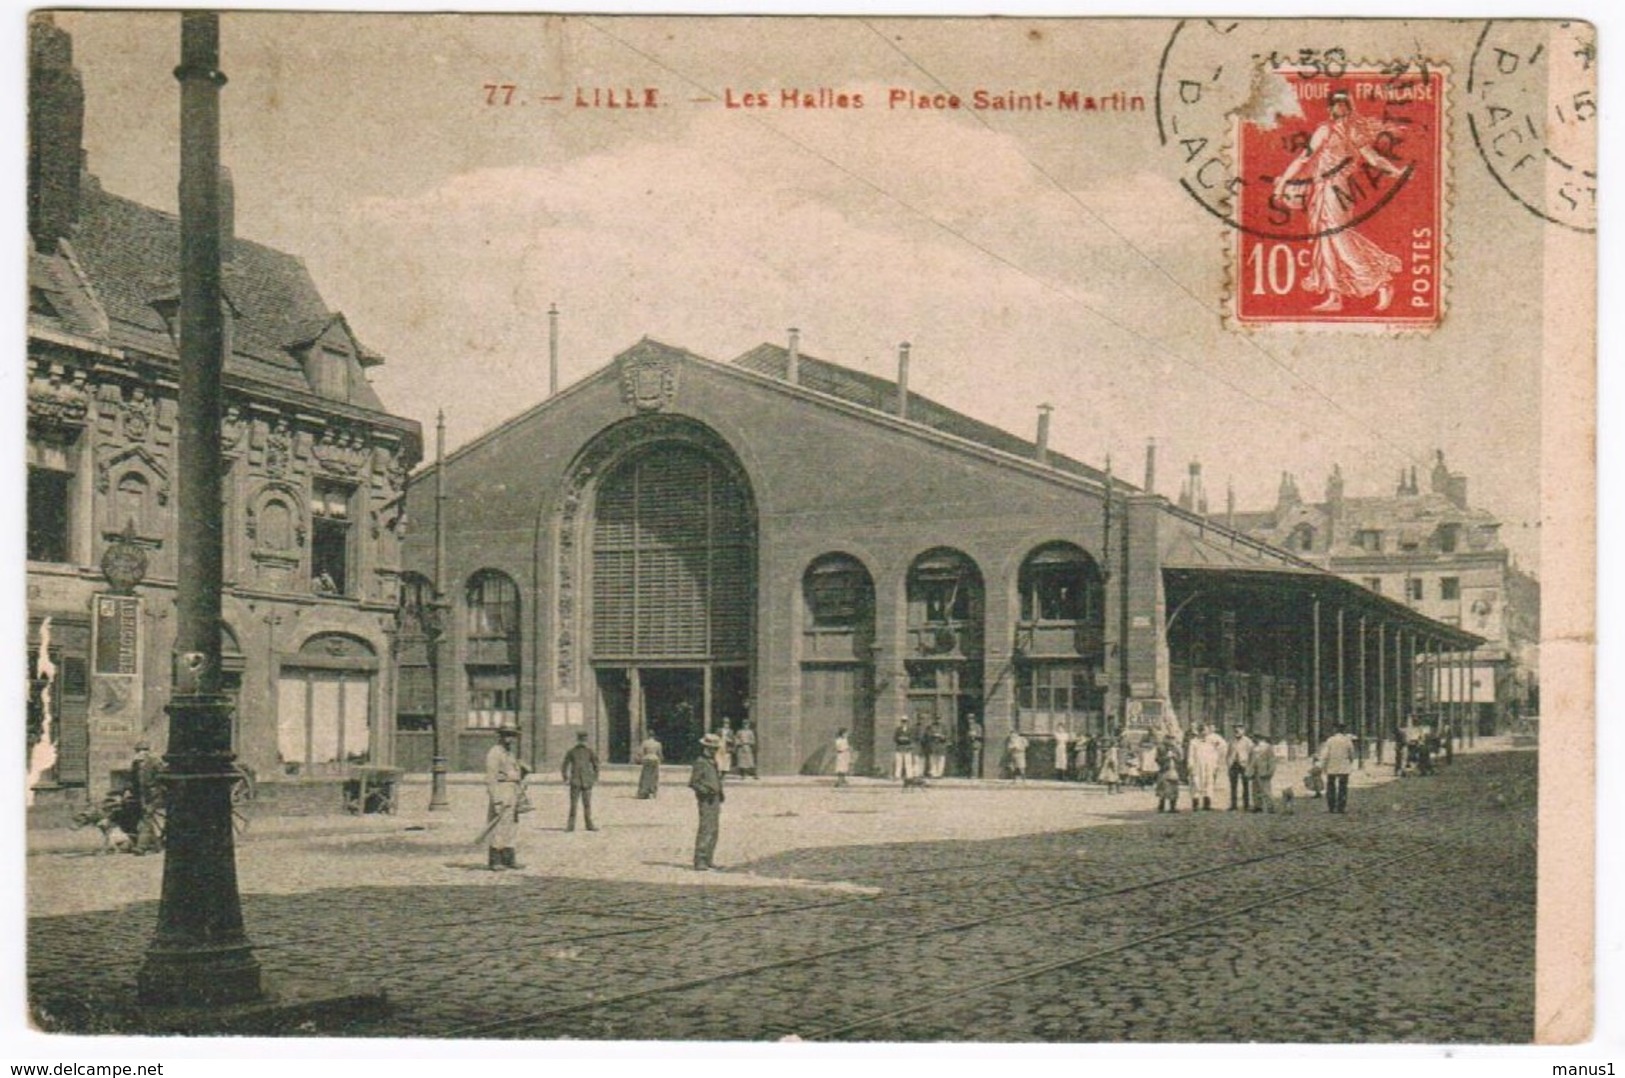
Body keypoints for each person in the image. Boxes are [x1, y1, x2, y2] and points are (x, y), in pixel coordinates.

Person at [1272, 89, 1407, 313]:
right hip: (1321, 190)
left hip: (1336, 190)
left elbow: (1373, 159)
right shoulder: (1327, 130)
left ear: (1349, 107)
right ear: (1331, 109)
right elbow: (1304, 158)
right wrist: (1283, 182)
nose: (1341, 108)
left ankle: (1381, 282)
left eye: (1344, 104)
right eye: (1337, 105)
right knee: (1326, 241)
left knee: (1338, 236)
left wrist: (1396, 172)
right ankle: (1334, 296)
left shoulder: (1351, 131)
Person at [484, 725, 530, 870]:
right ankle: (495, 860)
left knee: (512, 826)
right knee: (499, 826)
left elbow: (513, 772)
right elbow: (491, 777)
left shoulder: (509, 753)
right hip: (501, 791)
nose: (509, 739)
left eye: (512, 736)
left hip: (512, 792)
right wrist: (496, 799)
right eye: (506, 735)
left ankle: (509, 858)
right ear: (500, 736)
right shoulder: (495, 753)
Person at [689, 732, 725, 871]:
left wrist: (720, 793)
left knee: (714, 830)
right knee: (706, 829)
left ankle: (709, 859)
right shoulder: (700, 762)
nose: (714, 751)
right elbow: (694, 782)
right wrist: (705, 791)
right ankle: (700, 860)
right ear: (705, 747)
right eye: (712, 748)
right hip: (706, 799)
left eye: (715, 748)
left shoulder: (713, 762)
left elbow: (716, 779)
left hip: (715, 799)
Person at [129, 740, 164, 855]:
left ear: (148, 751)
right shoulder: (135, 764)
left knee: (146, 818)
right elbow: (133, 781)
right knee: (146, 817)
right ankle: (156, 845)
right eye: (138, 751)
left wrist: (159, 792)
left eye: (144, 750)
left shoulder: (155, 762)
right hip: (143, 796)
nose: (141, 753)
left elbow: (162, 778)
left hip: (156, 794)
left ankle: (141, 847)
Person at [561, 730, 600, 832]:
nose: (583, 742)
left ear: (586, 740)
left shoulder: (590, 751)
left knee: (587, 804)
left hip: (587, 781)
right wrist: (565, 778)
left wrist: (595, 778)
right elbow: (564, 765)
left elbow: (596, 765)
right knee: (573, 805)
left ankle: (589, 825)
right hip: (575, 781)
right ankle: (570, 826)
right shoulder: (572, 751)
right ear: (578, 740)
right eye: (581, 740)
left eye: (584, 740)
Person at [1185, 723, 1225, 811]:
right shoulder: (1194, 741)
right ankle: (1195, 804)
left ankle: (1207, 804)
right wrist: (1190, 765)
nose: (1205, 733)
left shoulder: (1212, 740)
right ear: (1200, 731)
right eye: (1203, 731)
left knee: (1209, 783)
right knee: (1196, 783)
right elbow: (1190, 755)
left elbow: (1222, 747)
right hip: (1197, 765)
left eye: (1207, 731)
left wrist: (1216, 763)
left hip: (1209, 765)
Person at [1319, 723, 1357, 814]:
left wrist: (1322, 766)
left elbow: (1325, 754)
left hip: (1331, 766)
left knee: (1331, 786)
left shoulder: (1330, 740)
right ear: (1344, 731)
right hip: (1344, 767)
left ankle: (1331, 807)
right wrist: (1350, 763)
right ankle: (1341, 807)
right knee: (1343, 787)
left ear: (1335, 730)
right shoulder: (1347, 741)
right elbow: (1352, 754)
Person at [1226, 725, 1254, 811]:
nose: (1237, 732)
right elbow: (1228, 753)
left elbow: (1252, 754)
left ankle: (1246, 805)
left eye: (1239, 730)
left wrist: (1249, 765)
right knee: (1233, 786)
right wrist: (1228, 763)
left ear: (1243, 731)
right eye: (1235, 731)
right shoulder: (1231, 741)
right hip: (1233, 764)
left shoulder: (1248, 741)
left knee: (1245, 785)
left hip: (1244, 764)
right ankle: (1233, 805)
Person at [1249, 732, 1278, 813]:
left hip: (1264, 771)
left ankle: (1270, 807)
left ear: (1259, 738)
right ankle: (1258, 806)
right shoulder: (1252, 747)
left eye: (1254, 738)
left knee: (1266, 790)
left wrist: (1270, 771)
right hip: (1255, 771)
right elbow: (1250, 760)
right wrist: (1249, 771)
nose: (1253, 739)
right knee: (1255, 790)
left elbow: (1272, 760)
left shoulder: (1267, 747)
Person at [1154, 736, 1181, 812]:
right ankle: (1161, 806)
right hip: (1164, 770)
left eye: (1173, 739)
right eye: (1169, 739)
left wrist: (1174, 756)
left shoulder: (1176, 748)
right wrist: (1166, 757)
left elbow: (1180, 759)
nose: (1171, 741)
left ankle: (1172, 807)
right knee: (1163, 789)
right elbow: (1157, 759)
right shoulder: (1161, 748)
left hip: (1174, 770)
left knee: (1174, 789)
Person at [636, 727, 663, 800]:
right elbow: (660, 754)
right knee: (654, 776)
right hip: (654, 759)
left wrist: (640, 759)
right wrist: (660, 760)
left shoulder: (645, 743)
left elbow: (641, 752)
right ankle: (652, 792)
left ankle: (644, 792)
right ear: (654, 736)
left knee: (645, 776)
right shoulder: (658, 744)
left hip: (647, 758)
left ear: (648, 735)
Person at [892, 716, 917, 787]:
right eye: (903, 721)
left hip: (907, 748)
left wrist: (906, 739)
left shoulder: (910, 730)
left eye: (905, 721)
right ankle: (897, 776)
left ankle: (909, 776)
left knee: (908, 763)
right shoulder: (898, 729)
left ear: (907, 722)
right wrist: (900, 739)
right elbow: (895, 738)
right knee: (898, 762)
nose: (904, 723)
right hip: (899, 748)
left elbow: (911, 738)